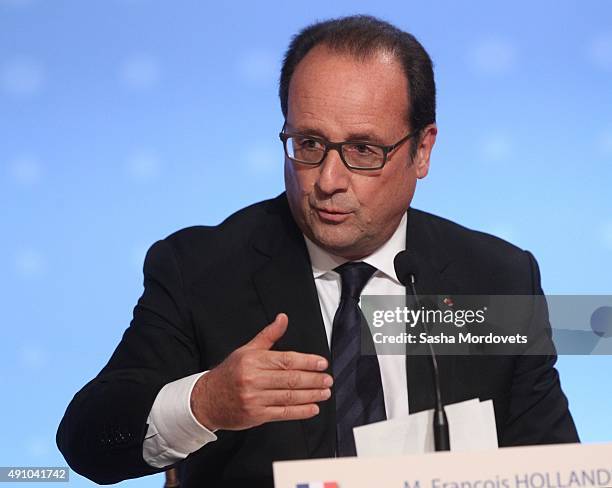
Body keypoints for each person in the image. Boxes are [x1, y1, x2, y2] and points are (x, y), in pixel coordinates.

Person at [56, 15, 578, 487]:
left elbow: (550, 463)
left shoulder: (495, 277)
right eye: (308, 144)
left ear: (422, 151)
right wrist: (205, 402)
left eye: (362, 151)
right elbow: (87, 441)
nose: (328, 181)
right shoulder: (201, 268)